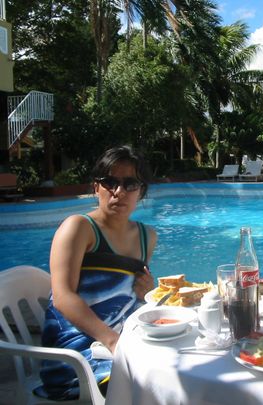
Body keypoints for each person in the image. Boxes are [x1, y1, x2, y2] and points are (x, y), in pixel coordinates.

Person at [38, 146, 157, 400]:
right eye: (110, 182)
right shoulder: (79, 228)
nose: (119, 192)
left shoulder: (147, 237)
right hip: (76, 353)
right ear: (96, 187)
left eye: (130, 184)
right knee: (153, 384)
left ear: (141, 191)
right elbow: (62, 297)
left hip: (122, 340)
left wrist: (147, 291)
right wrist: (114, 342)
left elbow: (129, 296)